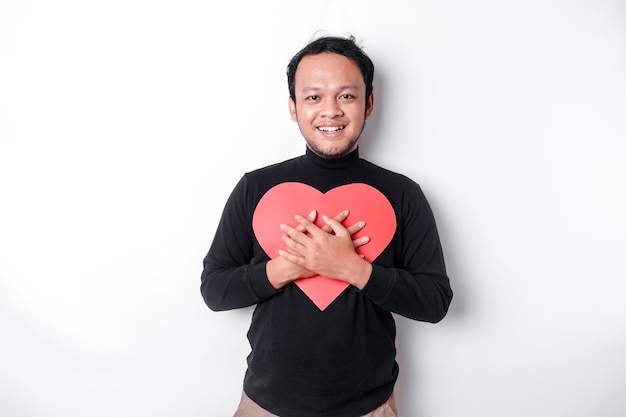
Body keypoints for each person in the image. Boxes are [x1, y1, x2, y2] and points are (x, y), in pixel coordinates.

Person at [200, 34, 453, 417]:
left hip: (369, 406)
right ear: (293, 107)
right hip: (265, 403)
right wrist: (289, 267)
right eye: (313, 96)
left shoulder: (403, 194)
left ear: (369, 103)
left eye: (346, 96)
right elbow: (214, 290)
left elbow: (435, 302)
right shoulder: (256, 187)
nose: (330, 111)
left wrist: (350, 267)